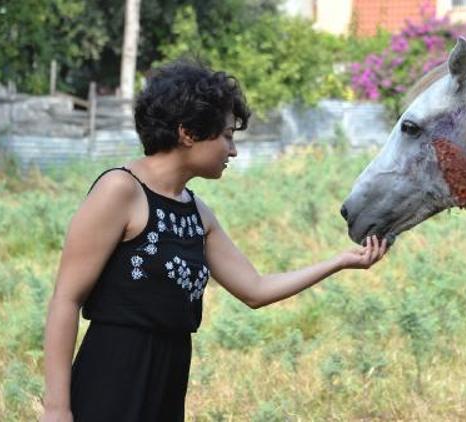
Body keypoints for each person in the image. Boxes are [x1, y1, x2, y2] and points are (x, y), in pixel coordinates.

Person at [41, 61, 388, 421]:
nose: (233, 150)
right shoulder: (120, 191)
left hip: (169, 380)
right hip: (112, 378)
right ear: (188, 132)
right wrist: (56, 408)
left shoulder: (198, 214)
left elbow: (255, 289)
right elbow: (66, 299)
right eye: (227, 136)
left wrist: (340, 261)